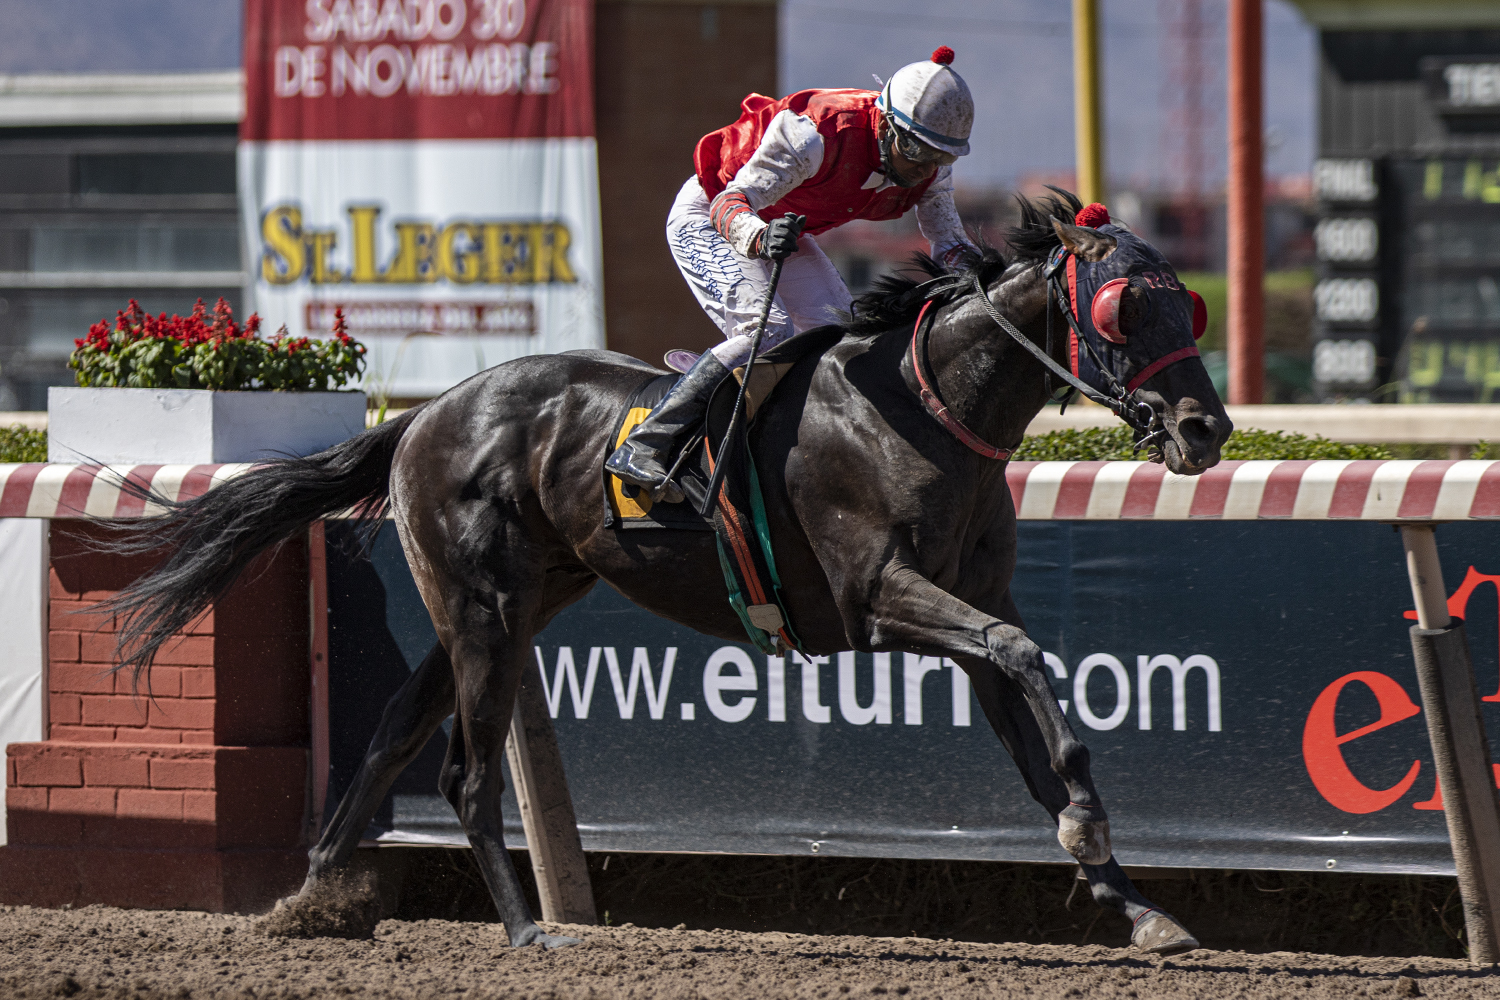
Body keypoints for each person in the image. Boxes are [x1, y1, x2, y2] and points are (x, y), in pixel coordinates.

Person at [605, 46, 977, 503]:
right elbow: (729, 203)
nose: (923, 169)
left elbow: (950, 244)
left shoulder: (929, 170)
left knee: (841, 334)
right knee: (767, 331)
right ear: (885, 124)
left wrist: (988, 282)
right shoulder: (814, 133)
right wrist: (760, 238)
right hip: (710, 216)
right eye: (916, 150)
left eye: (940, 157)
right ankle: (646, 442)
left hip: (782, 229)